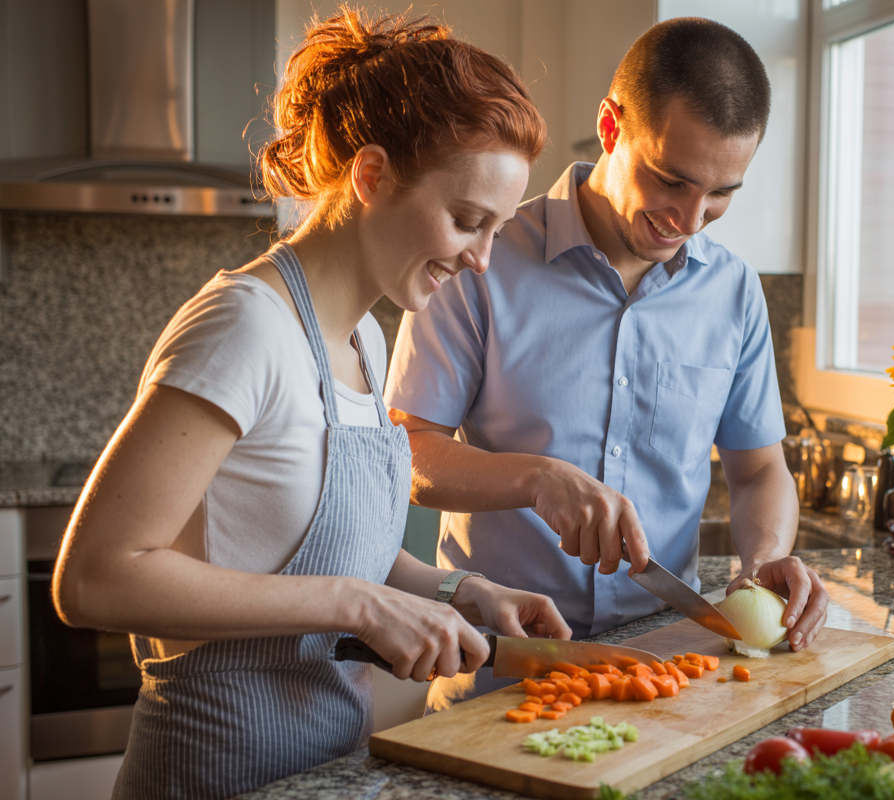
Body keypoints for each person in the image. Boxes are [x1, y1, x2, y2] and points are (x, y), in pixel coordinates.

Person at [52, 9, 570, 798]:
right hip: (210, 773)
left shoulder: (360, 334)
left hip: (322, 770)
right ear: (371, 176)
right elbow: (94, 577)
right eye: (467, 221)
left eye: (495, 229)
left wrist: (458, 591)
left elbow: (314, 550)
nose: (480, 259)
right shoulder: (245, 326)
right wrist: (357, 606)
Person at [386, 16, 830, 712]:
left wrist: (762, 563)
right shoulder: (480, 256)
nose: (690, 217)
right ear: (611, 127)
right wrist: (537, 479)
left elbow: (760, 470)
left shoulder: (733, 289)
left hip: (664, 668)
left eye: (720, 194)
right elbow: (407, 455)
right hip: (503, 666)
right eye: (671, 181)